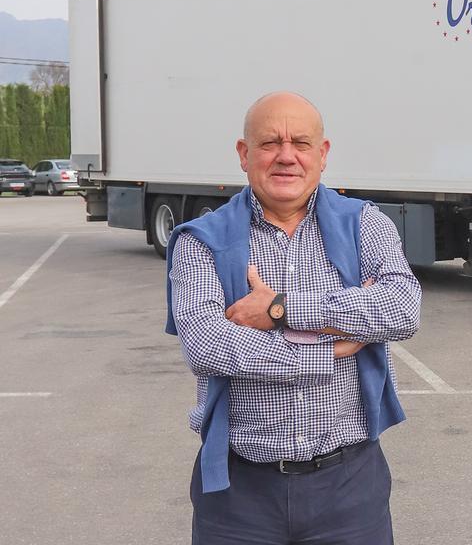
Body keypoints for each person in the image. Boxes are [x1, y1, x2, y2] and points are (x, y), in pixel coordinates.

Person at [166, 92, 422, 544]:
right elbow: (206, 344)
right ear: (244, 155)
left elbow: (402, 308)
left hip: (349, 487)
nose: (287, 156)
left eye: (301, 143)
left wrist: (278, 310)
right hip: (237, 494)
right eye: (270, 143)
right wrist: (331, 347)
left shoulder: (366, 224)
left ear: (322, 156)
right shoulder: (200, 241)